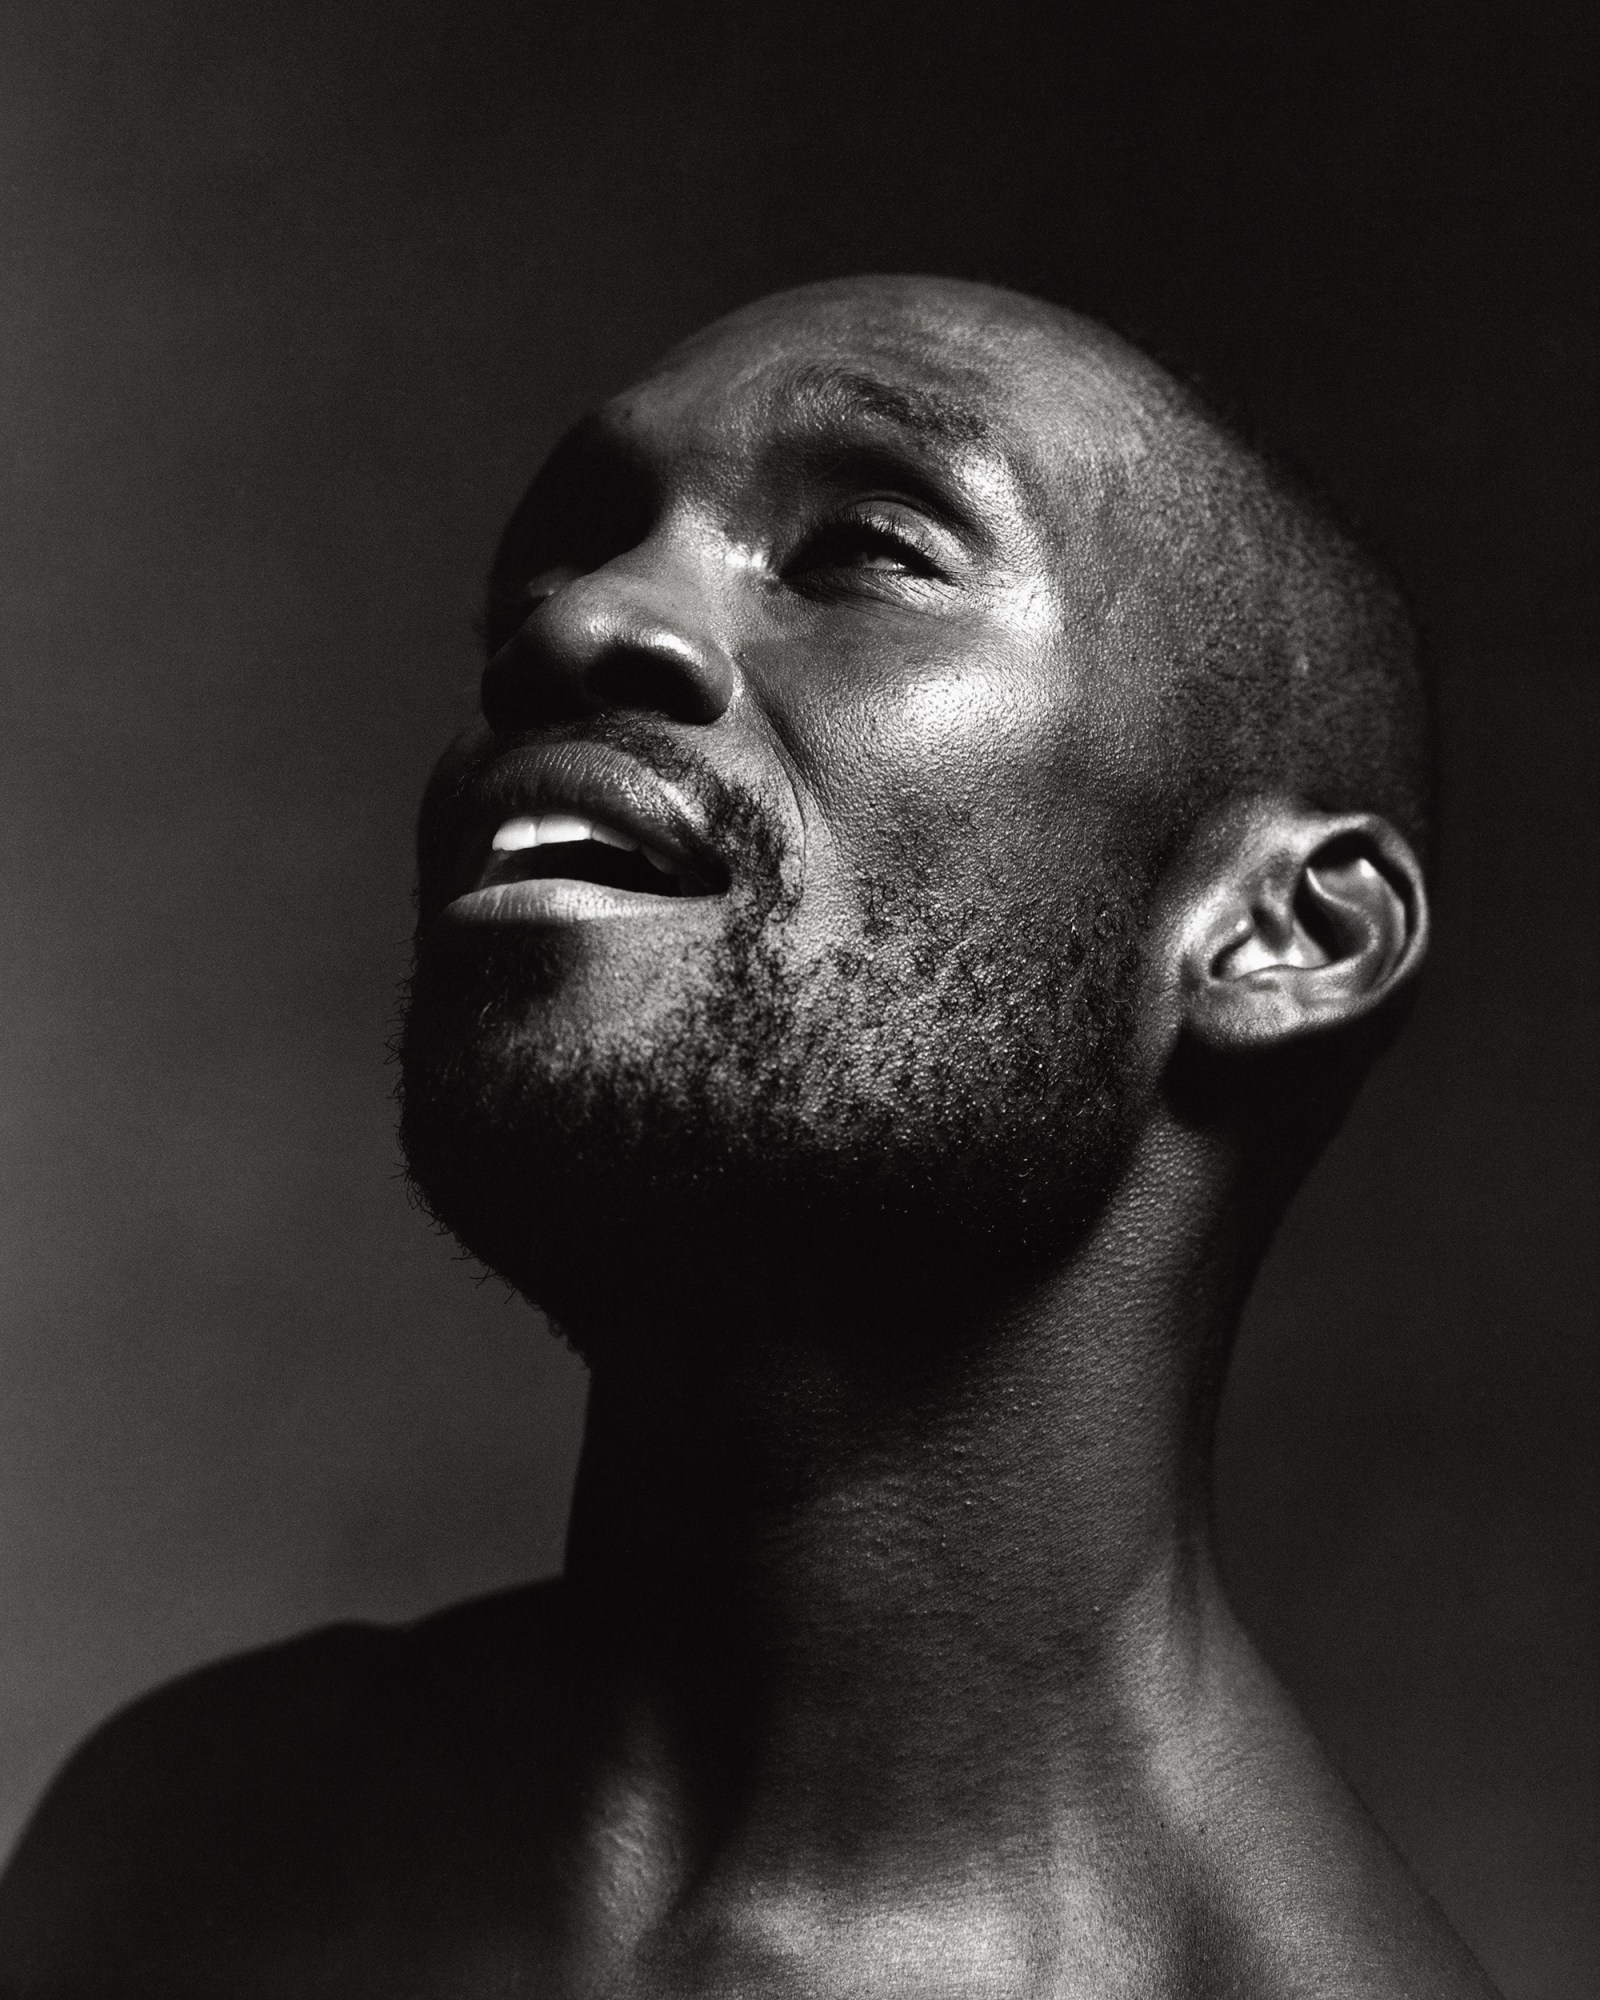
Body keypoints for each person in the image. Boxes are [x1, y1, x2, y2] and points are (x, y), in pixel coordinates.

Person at [0, 276, 1499, 1998]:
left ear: (1281, 936)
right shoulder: (189, 1829)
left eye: (865, 546)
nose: (573, 629)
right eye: (551, 570)